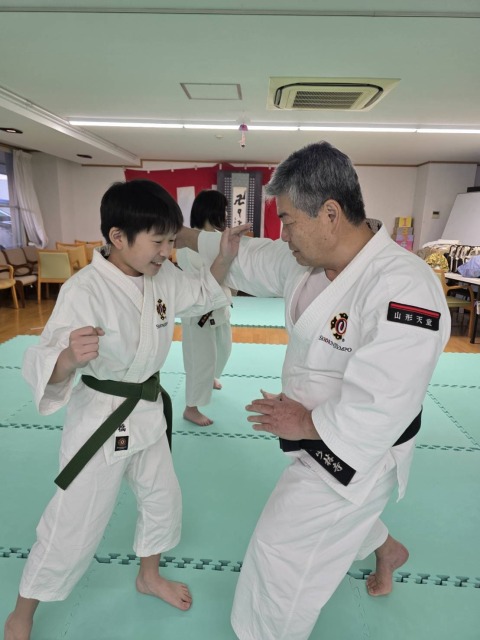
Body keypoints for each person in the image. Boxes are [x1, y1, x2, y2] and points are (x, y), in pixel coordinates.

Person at [176, 141, 451, 640]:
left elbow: (384, 402)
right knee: (340, 521)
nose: (282, 234)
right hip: (313, 429)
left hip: (360, 449)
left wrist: (305, 422)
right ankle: (387, 550)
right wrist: (181, 234)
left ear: (330, 214)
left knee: (281, 550)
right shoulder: (308, 262)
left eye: (288, 220)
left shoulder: (404, 287)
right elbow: (248, 254)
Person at [4, 179, 249, 640]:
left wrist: (225, 258)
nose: (167, 252)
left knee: (163, 499)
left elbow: (201, 292)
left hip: (147, 411)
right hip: (101, 417)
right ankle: (23, 610)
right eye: (158, 242)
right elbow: (43, 360)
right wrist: (67, 359)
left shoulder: (163, 277)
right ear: (118, 237)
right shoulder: (84, 290)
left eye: (170, 241)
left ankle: (148, 576)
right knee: (73, 523)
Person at [176, 190, 233, 426]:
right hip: (198, 312)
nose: (226, 213)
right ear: (212, 211)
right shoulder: (187, 243)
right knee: (201, 361)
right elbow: (202, 279)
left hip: (220, 307)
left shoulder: (221, 238)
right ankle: (191, 408)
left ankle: (209, 378)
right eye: (224, 209)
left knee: (224, 349)